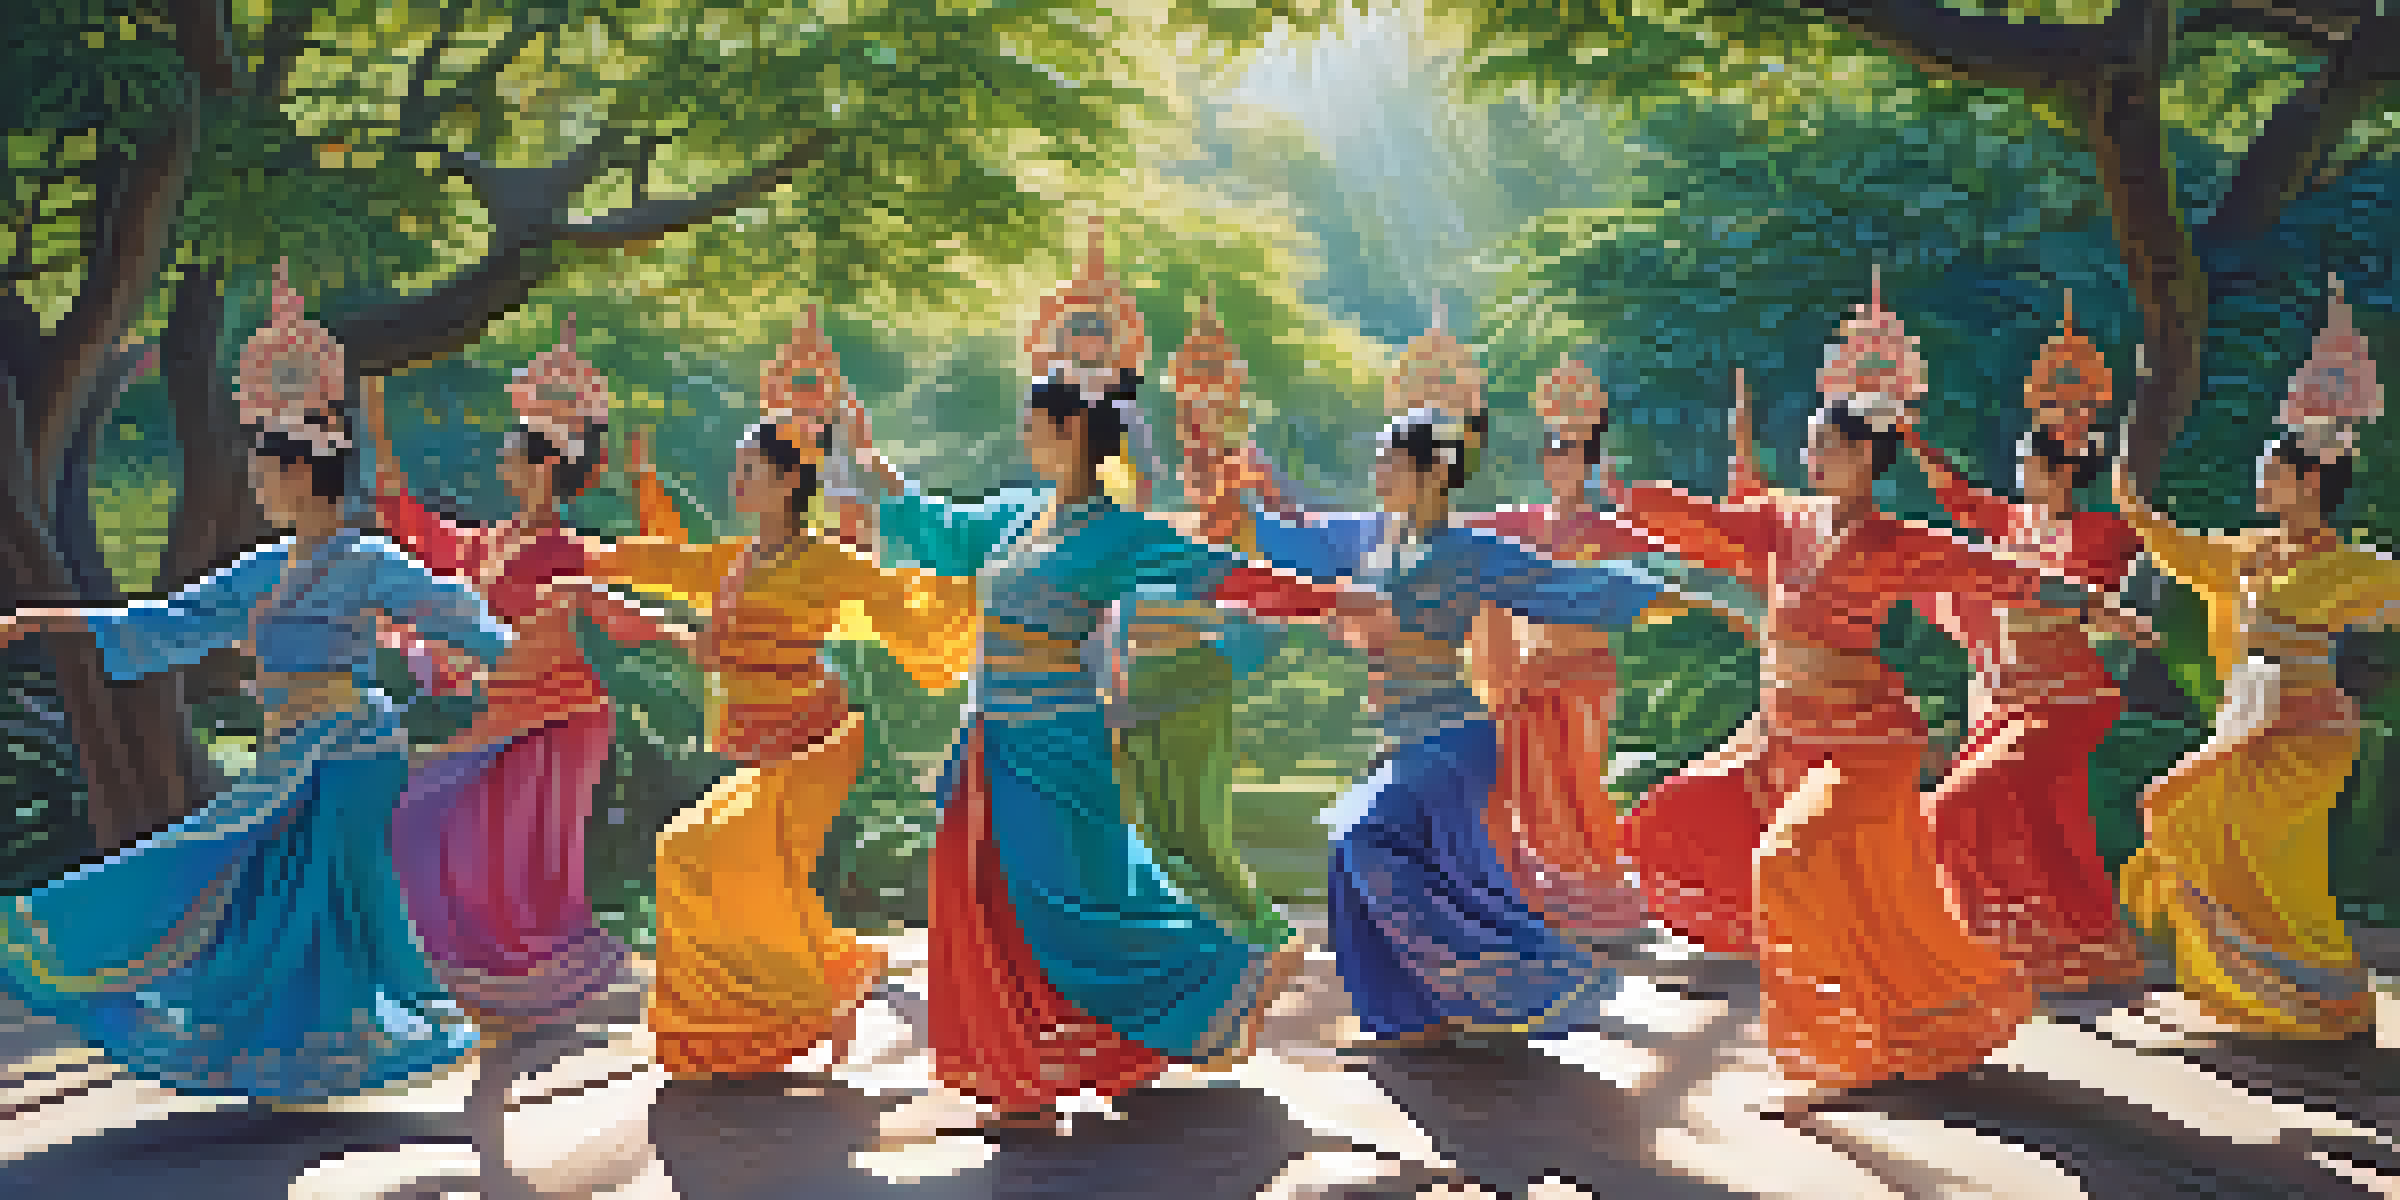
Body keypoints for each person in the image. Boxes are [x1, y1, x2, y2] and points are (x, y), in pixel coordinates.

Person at [839, 305, 1384, 1125]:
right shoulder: (1019, 516)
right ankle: (1025, 1071)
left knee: (1074, 908)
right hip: (992, 736)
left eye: (1033, 423)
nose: (1023, 435)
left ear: (1068, 431)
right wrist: (870, 456)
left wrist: (1331, 599)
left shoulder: (1117, 533)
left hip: (1056, 741)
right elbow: (936, 525)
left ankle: (1232, 972)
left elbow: (1224, 576)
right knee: (991, 903)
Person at [0, 261, 513, 1101]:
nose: (257, 486)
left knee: (298, 888)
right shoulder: (264, 569)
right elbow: (162, 618)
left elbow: (455, 613)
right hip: (295, 748)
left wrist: (515, 662)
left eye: (267, 473)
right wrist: (47, 620)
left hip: (349, 749)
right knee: (271, 892)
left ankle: (345, 1039)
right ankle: (300, 1049)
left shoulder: (366, 560)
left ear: (305, 476)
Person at [1602, 273, 2091, 1104]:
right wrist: (1633, 498)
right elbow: (1708, 523)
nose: (1812, 457)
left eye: (1826, 447)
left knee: (1790, 861)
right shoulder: (1783, 519)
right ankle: (1906, 1012)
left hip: (1862, 747)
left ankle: (1831, 1052)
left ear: (1866, 457)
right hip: (1780, 738)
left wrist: (2092, 601)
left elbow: (1991, 569)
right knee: (1674, 821)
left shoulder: (1895, 540)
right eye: (1812, 447)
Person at [1243, 404, 1687, 1049]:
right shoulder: (1368, 537)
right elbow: (1296, 541)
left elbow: (1564, 587)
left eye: (1391, 460)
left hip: (1451, 738)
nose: (1377, 471)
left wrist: (1683, 601)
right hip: (1401, 738)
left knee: (1362, 835)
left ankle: (1529, 978)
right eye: (1378, 458)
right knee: (1353, 860)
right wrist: (1245, 496)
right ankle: (1412, 1020)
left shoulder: (1469, 550)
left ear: (1433, 473)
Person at [583, 407, 978, 1080]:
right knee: (712, 866)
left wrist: (979, 588)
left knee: (701, 851)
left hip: (813, 747)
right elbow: (667, 568)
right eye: (736, 469)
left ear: (792, 480)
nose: (735, 482)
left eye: (750, 471)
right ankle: (807, 984)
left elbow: (910, 606)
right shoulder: (736, 562)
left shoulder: (827, 562)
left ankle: (796, 1002)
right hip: (759, 748)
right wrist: (579, 559)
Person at [367, 317, 686, 1037]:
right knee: (425, 817)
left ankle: (541, 979)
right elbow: (424, 533)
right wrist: (381, 442)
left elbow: (648, 569)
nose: (502, 464)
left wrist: (644, 486)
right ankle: (499, 976)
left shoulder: (569, 550)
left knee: (511, 850)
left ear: (544, 465)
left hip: (561, 716)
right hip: (504, 712)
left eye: (513, 454)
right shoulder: (493, 539)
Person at [2112, 276, 2398, 1042]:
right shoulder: (2246, 553)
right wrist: (2135, 505)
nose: (2261, 481)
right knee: (2195, 822)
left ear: (2310, 481)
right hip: (2253, 724)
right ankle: (2279, 998)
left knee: (2281, 870)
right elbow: (2181, 551)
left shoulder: (2356, 566)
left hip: (2307, 735)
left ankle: (2328, 1000)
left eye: (2273, 472)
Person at [1899, 293, 2147, 999]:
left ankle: (1988, 943)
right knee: (2047, 824)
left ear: (2064, 467)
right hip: (2007, 700)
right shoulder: (2010, 521)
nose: (2020, 472)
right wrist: (1912, 440)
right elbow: (1956, 497)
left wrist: (2105, 612)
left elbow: (2079, 596)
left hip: (2065, 702)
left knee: (1955, 807)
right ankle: (2076, 947)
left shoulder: (2100, 534)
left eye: (2032, 461)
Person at [1458, 356, 1744, 946]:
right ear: (1544, 465)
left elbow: (1674, 561)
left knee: (1578, 781)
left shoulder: (1610, 530)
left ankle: (1599, 900)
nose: (1563, 468)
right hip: (1529, 675)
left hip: (1586, 673)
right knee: (1525, 785)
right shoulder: (1518, 523)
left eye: (1575, 458)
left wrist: (1723, 595)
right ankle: (1545, 900)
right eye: (1555, 456)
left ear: (1590, 467)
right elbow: (1451, 533)